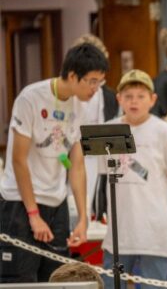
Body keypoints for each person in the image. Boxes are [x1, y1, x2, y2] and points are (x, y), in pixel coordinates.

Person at [0, 43, 109, 283]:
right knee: (20, 279)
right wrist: (33, 214)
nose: (95, 89)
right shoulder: (31, 98)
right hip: (20, 203)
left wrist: (82, 217)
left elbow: (77, 165)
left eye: (99, 82)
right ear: (72, 75)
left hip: (56, 202)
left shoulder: (82, 106)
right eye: (91, 81)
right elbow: (18, 160)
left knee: (56, 278)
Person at [99, 69, 167, 289]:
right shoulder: (108, 130)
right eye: (128, 96)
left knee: (154, 285)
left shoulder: (164, 131)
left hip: (155, 227)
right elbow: (103, 176)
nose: (134, 102)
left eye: (141, 96)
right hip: (120, 230)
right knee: (110, 284)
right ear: (119, 99)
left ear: (152, 99)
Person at [71, 34, 120, 221]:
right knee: (75, 205)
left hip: (99, 157)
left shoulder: (109, 96)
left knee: (99, 205)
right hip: (72, 157)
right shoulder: (71, 95)